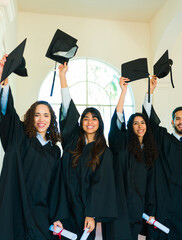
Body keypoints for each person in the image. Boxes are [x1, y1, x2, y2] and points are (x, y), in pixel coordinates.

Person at [0, 55, 61, 240]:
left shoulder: (55, 152)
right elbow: (7, 115)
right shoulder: (21, 138)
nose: (41, 120)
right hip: (16, 206)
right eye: (37, 115)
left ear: (51, 120)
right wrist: (4, 81)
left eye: (46, 115)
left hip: (40, 213)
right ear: (31, 117)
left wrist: (56, 217)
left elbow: (56, 188)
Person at [52, 62, 118, 240]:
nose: (90, 122)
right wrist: (62, 77)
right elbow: (68, 110)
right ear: (80, 123)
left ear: (99, 123)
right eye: (86, 118)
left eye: (94, 118)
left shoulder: (104, 152)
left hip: (84, 211)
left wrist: (92, 214)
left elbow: (100, 185)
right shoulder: (73, 143)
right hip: (63, 207)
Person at [143, 76, 182, 240]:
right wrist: (150, 92)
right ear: (172, 121)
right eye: (178, 119)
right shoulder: (163, 138)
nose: (181, 122)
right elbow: (148, 121)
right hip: (161, 201)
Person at [106, 77, 158, 240]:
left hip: (137, 206)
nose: (140, 126)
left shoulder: (149, 151)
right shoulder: (123, 145)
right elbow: (118, 119)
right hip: (119, 204)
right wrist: (123, 92)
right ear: (130, 127)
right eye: (135, 123)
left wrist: (150, 92)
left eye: (142, 123)